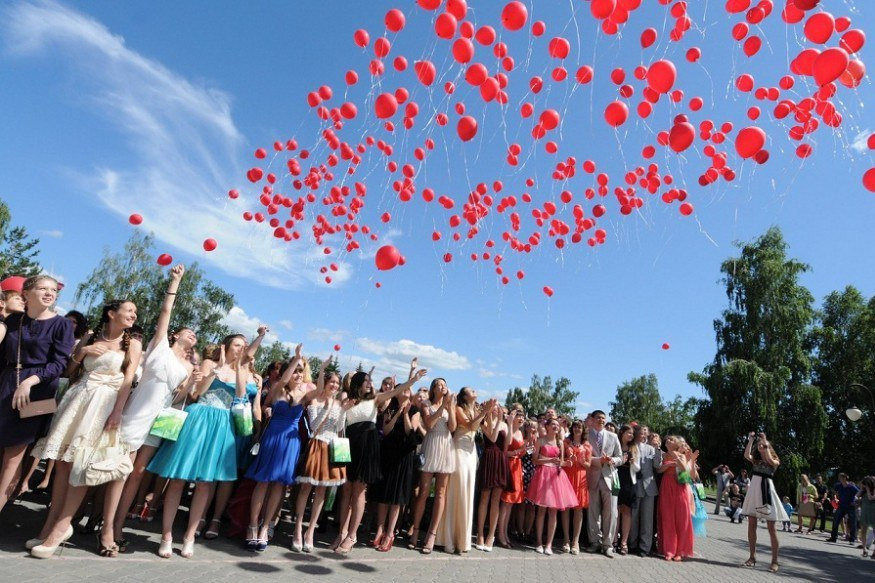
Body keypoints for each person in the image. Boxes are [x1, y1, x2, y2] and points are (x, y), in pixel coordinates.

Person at [29, 299, 142, 558]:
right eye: (129, 310)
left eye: (135, 312)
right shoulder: (91, 336)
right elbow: (70, 371)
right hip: (78, 399)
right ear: (112, 313)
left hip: (104, 405)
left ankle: (61, 527)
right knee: (62, 464)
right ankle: (47, 526)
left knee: (81, 465)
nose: (133, 315)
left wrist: (117, 411)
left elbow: (128, 378)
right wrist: (83, 352)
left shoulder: (133, 343)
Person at [112, 265, 198, 549]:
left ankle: (117, 524)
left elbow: (176, 399)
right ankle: (96, 516)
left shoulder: (188, 366)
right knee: (117, 466)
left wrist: (190, 385)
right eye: (188, 332)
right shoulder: (159, 346)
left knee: (137, 473)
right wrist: (175, 283)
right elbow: (164, 313)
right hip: (138, 411)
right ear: (175, 335)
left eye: (195, 335)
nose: (193, 335)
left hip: (160, 418)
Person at [147, 334, 252, 558]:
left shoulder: (242, 372)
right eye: (237, 345)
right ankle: (166, 535)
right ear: (226, 346)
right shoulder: (209, 363)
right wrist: (218, 369)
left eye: (243, 347)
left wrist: (240, 368)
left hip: (223, 425)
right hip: (199, 418)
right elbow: (197, 393)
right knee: (177, 479)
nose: (240, 349)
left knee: (205, 483)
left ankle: (190, 536)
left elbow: (241, 398)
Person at [332, 362, 426, 554]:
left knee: (359, 490)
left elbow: (395, 392)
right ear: (358, 384)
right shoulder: (348, 400)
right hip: (350, 444)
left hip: (367, 444)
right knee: (346, 490)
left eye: (369, 380)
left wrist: (413, 379)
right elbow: (338, 424)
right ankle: (341, 533)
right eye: (366, 380)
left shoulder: (374, 398)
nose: (369, 383)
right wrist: (343, 408)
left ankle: (352, 535)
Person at [0, 276, 74, 513]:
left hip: (40, 392)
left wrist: (30, 381)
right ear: (27, 293)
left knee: (15, 454)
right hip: (8, 382)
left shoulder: (62, 325)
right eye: (43, 288)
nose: (49, 293)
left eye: (53, 290)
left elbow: (59, 364)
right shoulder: (12, 321)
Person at [293, 362, 346, 553]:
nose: (334, 385)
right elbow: (314, 427)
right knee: (306, 489)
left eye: (337, 383)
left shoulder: (339, 403)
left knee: (322, 492)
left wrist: (343, 411)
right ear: (324, 383)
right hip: (316, 444)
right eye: (331, 381)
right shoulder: (315, 401)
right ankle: (298, 528)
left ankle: (310, 532)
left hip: (332, 447)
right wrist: (327, 407)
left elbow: (339, 429)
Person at [434, 387, 490, 554]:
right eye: (471, 390)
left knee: (467, 492)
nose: (475, 391)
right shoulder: (459, 408)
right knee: (456, 492)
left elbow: (489, 433)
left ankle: (462, 540)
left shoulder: (477, 409)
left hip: (471, 453)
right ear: (465, 396)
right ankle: (448, 538)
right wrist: (483, 413)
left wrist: (491, 414)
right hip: (459, 451)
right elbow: (470, 426)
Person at [371, 385, 422, 553]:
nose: (406, 391)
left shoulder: (414, 410)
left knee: (396, 497)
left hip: (403, 456)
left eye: (408, 389)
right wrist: (397, 414)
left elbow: (411, 432)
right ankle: (380, 529)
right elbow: (385, 430)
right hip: (388, 452)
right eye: (402, 389)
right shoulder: (391, 408)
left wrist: (406, 414)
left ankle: (390, 534)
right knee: (384, 494)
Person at [527, 417, 579, 555]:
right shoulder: (540, 440)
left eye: (557, 425)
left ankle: (549, 544)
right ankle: (539, 542)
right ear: (547, 426)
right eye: (553, 424)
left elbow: (560, 462)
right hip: (543, 475)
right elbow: (534, 460)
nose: (556, 427)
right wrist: (549, 459)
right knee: (541, 511)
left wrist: (568, 463)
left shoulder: (560, 442)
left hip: (556, 477)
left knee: (553, 511)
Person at [741, 431, 787, 573]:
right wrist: (750, 441)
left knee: (771, 528)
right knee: (751, 524)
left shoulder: (774, 461)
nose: (760, 446)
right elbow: (746, 455)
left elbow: (770, 460)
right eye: (759, 445)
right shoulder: (756, 460)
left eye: (764, 446)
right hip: (754, 491)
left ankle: (774, 561)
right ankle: (752, 556)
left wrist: (765, 443)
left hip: (767, 493)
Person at [585, 410, 623, 558]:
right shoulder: (586, 435)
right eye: (598, 418)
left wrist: (612, 460)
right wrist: (598, 460)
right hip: (592, 476)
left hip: (609, 477)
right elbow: (584, 456)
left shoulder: (613, 436)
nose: (601, 420)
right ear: (592, 420)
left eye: (603, 418)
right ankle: (594, 542)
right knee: (593, 512)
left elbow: (621, 457)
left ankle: (607, 545)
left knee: (611, 513)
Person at [475, 400, 508, 551]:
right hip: (488, 459)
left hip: (500, 460)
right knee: (484, 497)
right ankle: (480, 534)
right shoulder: (484, 422)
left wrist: (505, 422)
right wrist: (495, 420)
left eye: (498, 406)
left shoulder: (504, 425)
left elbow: (506, 446)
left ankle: (491, 535)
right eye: (493, 406)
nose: (496, 408)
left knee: (496, 499)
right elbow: (493, 439)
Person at [629, 424, 661, 556]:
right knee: (634, 517)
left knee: (647, 519)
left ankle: (644, 547)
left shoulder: (651, 449)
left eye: (645, 433)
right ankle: (632, 544)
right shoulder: (631, 447)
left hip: (649, 487)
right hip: (635, 485)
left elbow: (657, 465)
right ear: (636, 434)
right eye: (641, 433)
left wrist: (657, 450)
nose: (643, 436)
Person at [560, 418, 591, 554]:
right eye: (575, 427)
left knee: (578, 510)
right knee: (566, 508)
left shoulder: (587, 445)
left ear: (583, 430)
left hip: (580, 476)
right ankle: (566, 539)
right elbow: (561, 460)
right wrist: (569, 460)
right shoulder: (566, 443)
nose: (577, 429)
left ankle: (575, 541)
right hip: (568, 475)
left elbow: (589, 465)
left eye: (580, 427)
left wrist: (583, 462)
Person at [497, 403, 526, 548]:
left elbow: (520, 452)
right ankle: (500, 534)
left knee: (510, 505)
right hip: (507, 465)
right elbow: (503, 451)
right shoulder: (508, 429)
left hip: (517, 467)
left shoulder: (521, 433)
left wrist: (523, 450)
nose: (521, 419)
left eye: (522, 416)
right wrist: (515, 453)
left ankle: (505, 533)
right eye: (518, 416)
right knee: (505, 502)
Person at [615, 424, 640, 555]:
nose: (630, 435)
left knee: (626, 511)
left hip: (629, 482)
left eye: (632, 434)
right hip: (616, 480)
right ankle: (613, 540)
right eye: (628, 433)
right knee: (615, 511)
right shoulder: (616, 444)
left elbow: (638, 468)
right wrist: (620, 460)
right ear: (622, 433)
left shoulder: (634, 448)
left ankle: (624, 542)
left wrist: (632, 462)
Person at [827, 472, 860, 545]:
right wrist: (836, 498)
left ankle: (852, 540)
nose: (839, 479)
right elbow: (835, 492)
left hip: (850, 506)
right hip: (841, 506)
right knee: (835, 520)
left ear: (844, 478)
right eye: (839, 478)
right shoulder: (839, 486)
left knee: (852, 523)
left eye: (840, 478)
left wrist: (855, 500)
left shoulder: (851, 487)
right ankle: (833, 537)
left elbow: (858, 492)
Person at [859, 476, 875, 557]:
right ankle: (864, 549)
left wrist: (868, 489)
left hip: (873, 514)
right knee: (863, 531)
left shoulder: (872, 491)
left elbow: (870, 498)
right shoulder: (863, 491)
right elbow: (857, 495)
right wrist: (862, 488)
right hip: (865, 513)